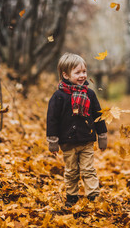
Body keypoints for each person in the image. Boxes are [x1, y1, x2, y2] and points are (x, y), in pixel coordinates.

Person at [46, 52, 108, 207]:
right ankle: (72, 196)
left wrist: (102, 136)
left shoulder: (90, 94)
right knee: (71, 171)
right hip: (67, 142)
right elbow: (52, 120)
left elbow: (98, 115)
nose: (82, 76)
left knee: (88, 170)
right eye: (78, 72)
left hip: (87, 140)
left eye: (84, 72)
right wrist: (53, 141)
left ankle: (93, 196)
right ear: (65, 75)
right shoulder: (58, 96)